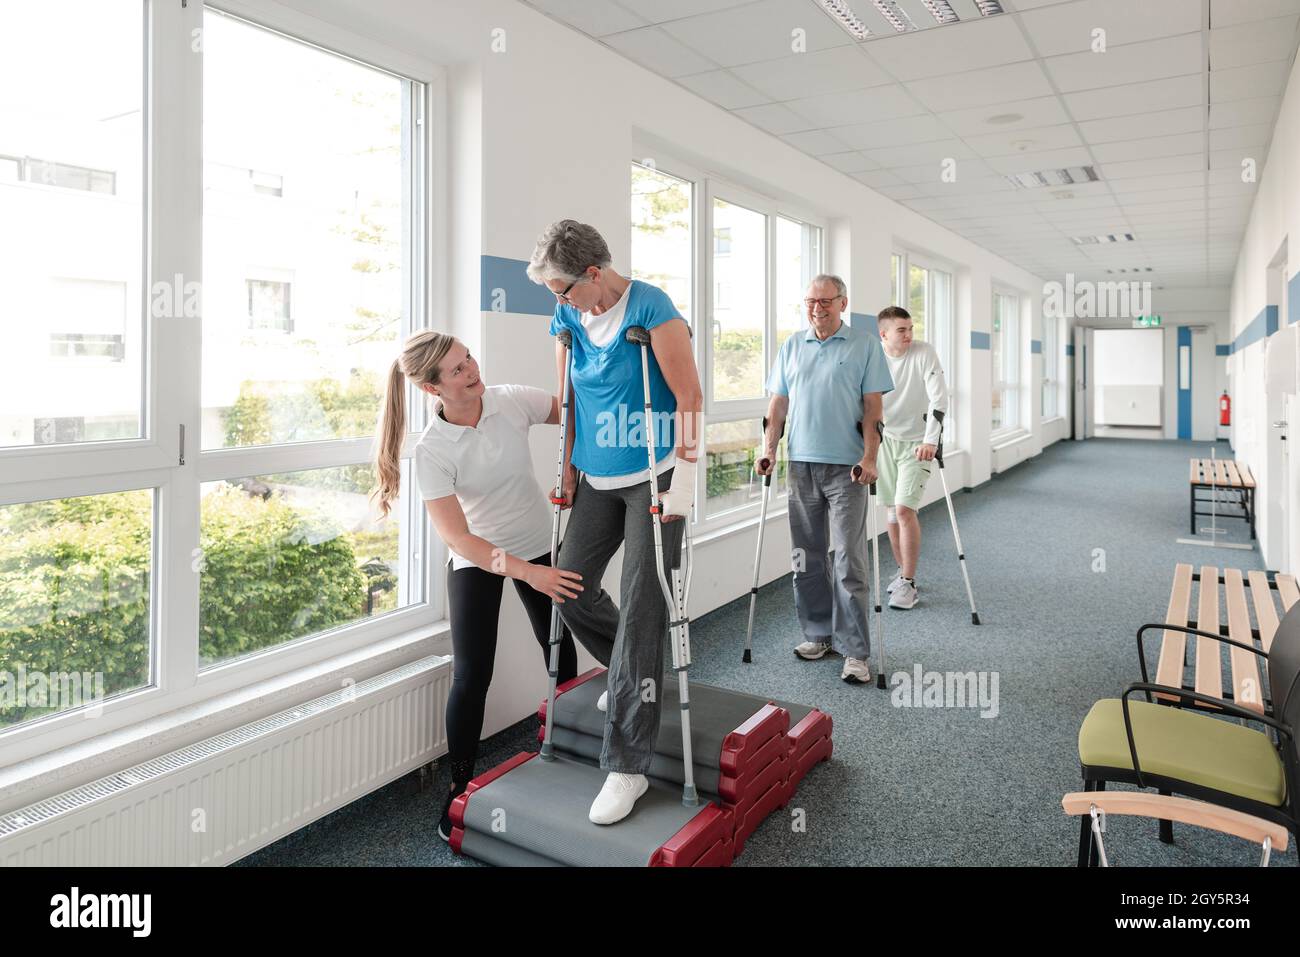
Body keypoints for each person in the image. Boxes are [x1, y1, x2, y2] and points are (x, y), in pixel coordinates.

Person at [527, 219, 702, 825]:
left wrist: (683, 475)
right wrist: (569, 469)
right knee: (568, 586)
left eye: (563, 290)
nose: (559, 301)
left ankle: (626, 765)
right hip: (594, 474)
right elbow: (568, 396)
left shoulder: (653, 309)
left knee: (644, 601)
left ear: (594, 274)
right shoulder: (569, 319)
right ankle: (634, 667)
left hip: (655, 471)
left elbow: (689, 399)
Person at [373, 331, 579, 842]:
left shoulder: (510, 400)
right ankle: (460, 785)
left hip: (537, 540)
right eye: (457, 370)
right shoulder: (432, 450)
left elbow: (575, 410)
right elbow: (459, 538)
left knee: (558, 646)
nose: (472, 370)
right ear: (431, 388)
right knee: (471, 674)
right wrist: (528, 572)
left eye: (468, 359)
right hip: (479, 557)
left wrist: (571, 470)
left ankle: (570, 747)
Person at [757, 275, 893, 684]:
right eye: (810, 301)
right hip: (801, 466)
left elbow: (873, 412)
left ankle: (855, 651)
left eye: (825, 301)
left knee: (849, 560)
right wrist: (768, 449)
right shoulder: (792, 346)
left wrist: (870, 458)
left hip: (847, 469)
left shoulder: (865, 346)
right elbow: (777, 404)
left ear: (843, 303)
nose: (817, 308)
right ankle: (818, 634)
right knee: (806, 558)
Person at [875, 306, 949, 610]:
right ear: (884, 334)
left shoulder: (924, 353)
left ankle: (907, 582)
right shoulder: (873, 356)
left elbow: (939, 398)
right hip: (885, 440)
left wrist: (931, 440)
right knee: (891, 512)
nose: (909, 335)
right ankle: (903, 572)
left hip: (918, 442)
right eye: (901, 330)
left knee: (905, 511)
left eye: (911, 329)